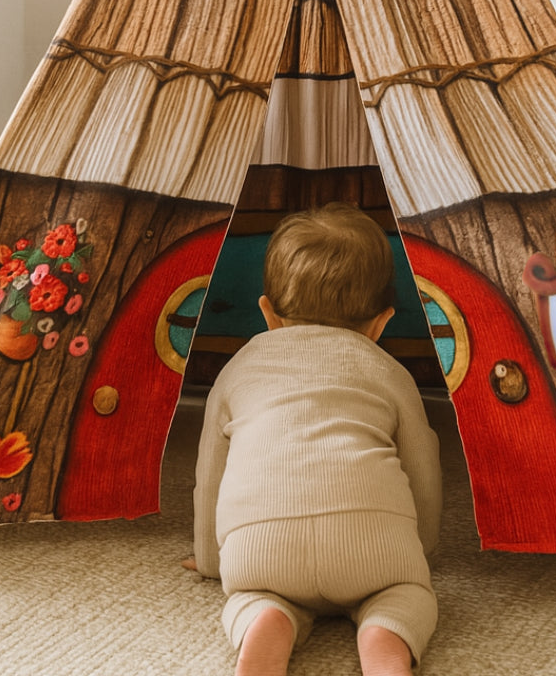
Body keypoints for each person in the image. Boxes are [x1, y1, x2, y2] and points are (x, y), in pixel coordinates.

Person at [186, 204, 442, 676]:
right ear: (381, 322)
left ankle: (265, 618)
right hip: (373, 545)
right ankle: (386, 633)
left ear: (268, 312)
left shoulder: (238, 366)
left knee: (250, 594)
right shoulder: (389, 370)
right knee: (405, 593)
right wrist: (418, 550)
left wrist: (210, 560)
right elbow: (423, 462)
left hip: (260, 551)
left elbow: (211, 471)